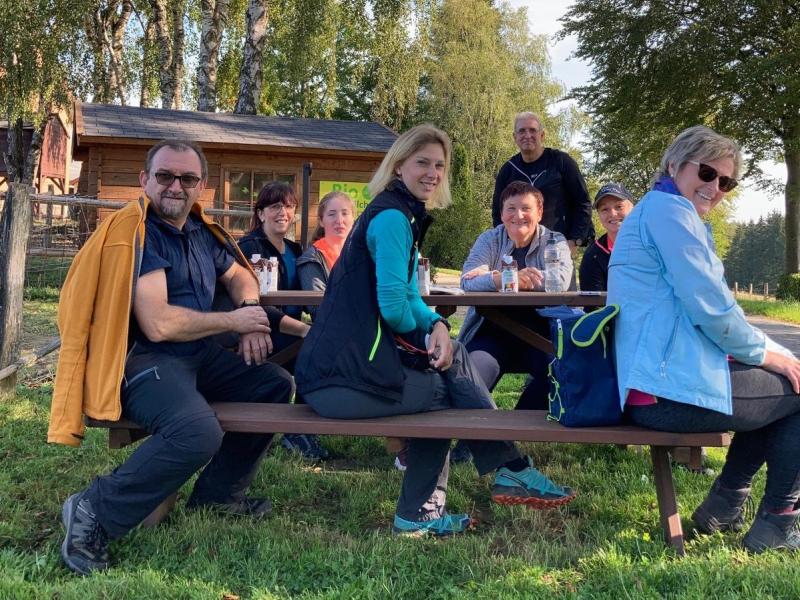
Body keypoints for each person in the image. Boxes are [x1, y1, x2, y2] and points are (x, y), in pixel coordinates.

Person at [295, 124, 576, 537]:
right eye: (422, 162)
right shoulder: (393, 218)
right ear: (399, 165)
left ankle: (496, 476)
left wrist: (437, 324)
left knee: (453, 360)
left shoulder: (399, 212)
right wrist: (431, 332)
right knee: (448, 393)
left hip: (343, 371)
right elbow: (394, 309)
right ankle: (490, 478)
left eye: (440, 165)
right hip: (340, 380)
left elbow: (409, 295)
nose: (432, 173)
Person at [51, 139, 307, 575]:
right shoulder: (138, 234)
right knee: (197, 432)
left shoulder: (200, 232)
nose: (176, 186)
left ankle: (218, 495)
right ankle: (94, 509)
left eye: (187, 178)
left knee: (274, 384)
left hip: (198, 355)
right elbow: (158, 324)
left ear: (201, 186)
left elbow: (240, 276)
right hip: (143, 361)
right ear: (144, 180)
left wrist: (248, 311)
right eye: (165, 176)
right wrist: (233, 322)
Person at [608, 125, 800, 553]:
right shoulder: (671, 214)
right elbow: (712, 309)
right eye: (708, 172)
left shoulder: (657, 211)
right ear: (674, 164)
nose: (715, 187)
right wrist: (771, 355)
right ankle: (777, 524)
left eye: (726, 182)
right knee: (794, 387)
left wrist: (773, 354)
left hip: (653, 385)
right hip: (666, 391)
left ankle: (724, 507)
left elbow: (713, 312)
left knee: (775, 390)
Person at [460, 180, 572, 409]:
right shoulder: (490, 239)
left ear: (539, 212)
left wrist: (492, 277)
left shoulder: (554, 240)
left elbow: (560, 279)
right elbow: (467, 280)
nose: (518, 215)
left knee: (561, 375)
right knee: (468, 380)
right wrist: (507, 278)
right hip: (491, 334)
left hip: (541, 336)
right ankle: (479, 430)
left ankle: (512, 427)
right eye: (511, 208)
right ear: (502, 214)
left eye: (526, 208)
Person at [238, 182, 327, 460]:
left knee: (326, 349)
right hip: (261, 332)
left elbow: (307, 297)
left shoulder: (296, 249)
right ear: (260, 213)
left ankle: (304, 426)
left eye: (289, 206)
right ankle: (296, 432)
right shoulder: (249, 248)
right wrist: (304, 330)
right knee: (314, 352)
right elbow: (256, 305)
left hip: (289, 332)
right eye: (275, 206)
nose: (283, 212)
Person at [491, 112, 594, 258]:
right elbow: (498, 212)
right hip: (519, 251)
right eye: (522, 131)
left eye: (532, 130)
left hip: (556, 247)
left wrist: (574, 241)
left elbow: (583, 203)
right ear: (515, 137)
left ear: (542, 135)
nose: (527, 135)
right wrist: (505, 242)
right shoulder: (508, 170)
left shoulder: (561, 162)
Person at [297, 190, 356, 319]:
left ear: (354, 218)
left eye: (345, 213)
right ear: (321, 221)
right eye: (332, 214)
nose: (339, 220)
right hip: (333, 328)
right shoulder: (312, 259)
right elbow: (317, 308)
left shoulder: (364, 253)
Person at [578, 182, 634, 292]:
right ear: (598, 214)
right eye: (605, 209)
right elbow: (593, 301)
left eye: (619, 207)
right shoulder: (593, 255)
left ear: (633, 208)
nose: (612, 214)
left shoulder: (652, 244)